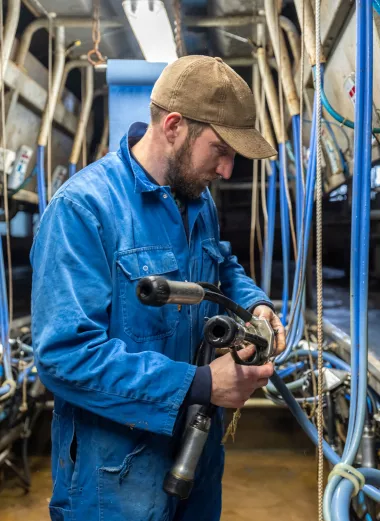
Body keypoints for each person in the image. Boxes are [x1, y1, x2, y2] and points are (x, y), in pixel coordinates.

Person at [31, 55, 286, 521]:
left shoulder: (196, 200)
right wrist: (202, 383)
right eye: (220, 150)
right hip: (117, 477)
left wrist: (255, 304)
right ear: (173, 126)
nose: (227, 170)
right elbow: (63, 357)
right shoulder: (84, 210)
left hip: (195, 457)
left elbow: (222, 265)